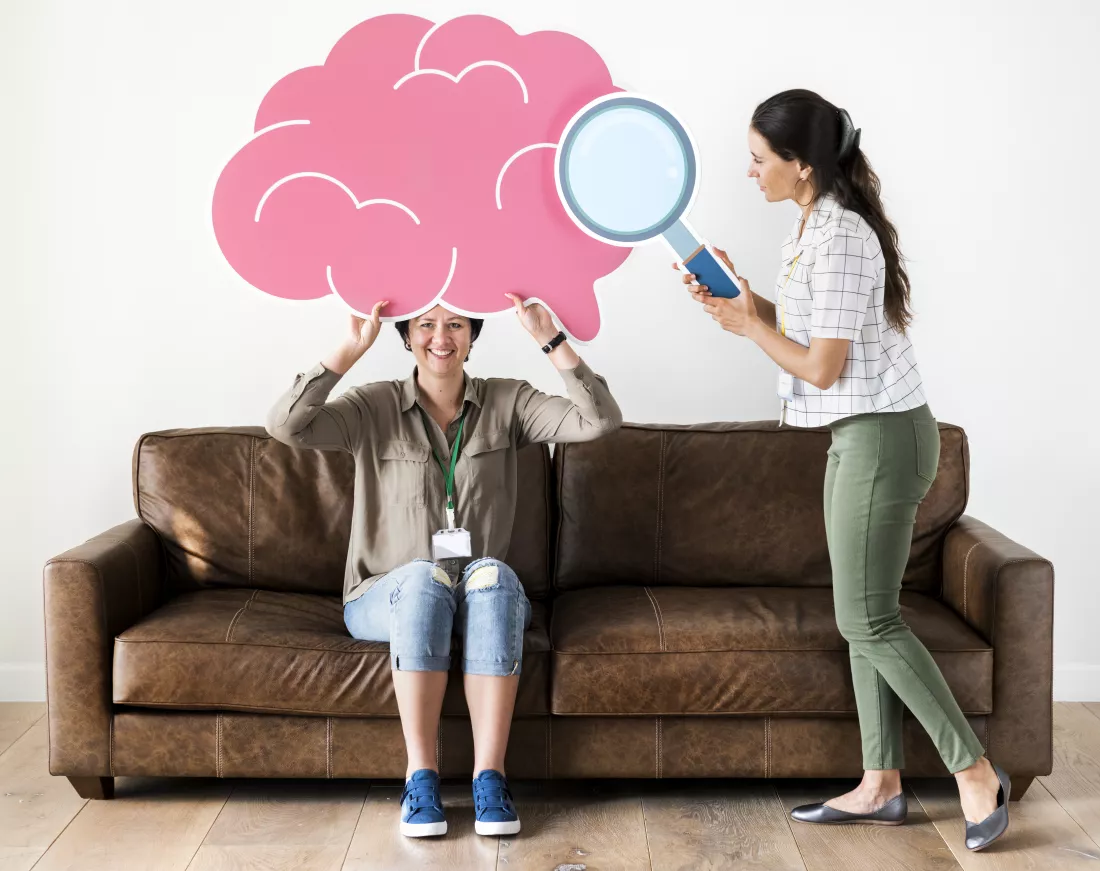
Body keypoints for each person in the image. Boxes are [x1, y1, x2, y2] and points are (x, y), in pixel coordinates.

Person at [674, 89, 1010, 852]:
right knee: (863, 616)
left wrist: (748, 325)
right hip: (857, 437)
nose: (749, 169)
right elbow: (810, 327)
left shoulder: (844, 236)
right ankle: (879, 782)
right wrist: (740, 296)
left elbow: (822, 367)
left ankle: (975, 771)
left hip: (883, 438)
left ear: (801, 164)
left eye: (759, 158)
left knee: (869, 618)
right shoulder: (815, 226)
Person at [266, 293, 622, 839]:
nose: (441, 336)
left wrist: (550, 338)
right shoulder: (371, 408)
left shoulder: (509, 403)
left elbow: (599, 422)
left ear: (472, 335)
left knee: (496, 576)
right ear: (407, 335)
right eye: (426, 324)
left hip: (477, 595)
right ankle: (421, 777)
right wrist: (348, 351)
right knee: (421, 580)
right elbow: (287, 425)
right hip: (386, 596)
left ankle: (490, 779)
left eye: (455, 324)